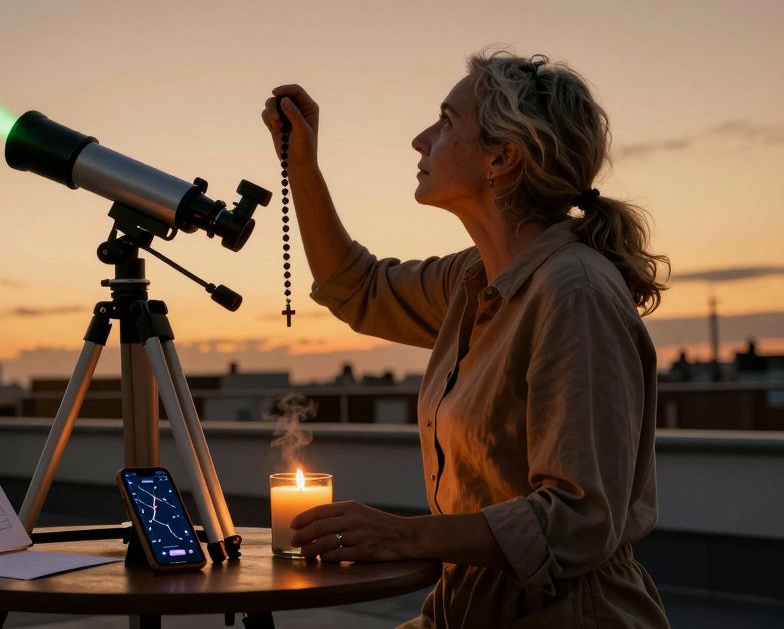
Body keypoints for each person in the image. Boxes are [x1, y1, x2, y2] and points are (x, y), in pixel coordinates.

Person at [265, 49, 670, 627]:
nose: (420, 140)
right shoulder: (473, 278)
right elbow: (359, 289)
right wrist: (301, 165)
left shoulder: (573, 294)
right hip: (465, 610)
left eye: (447, 122)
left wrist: (403, 535)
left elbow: (579, 520)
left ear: (502, 157)